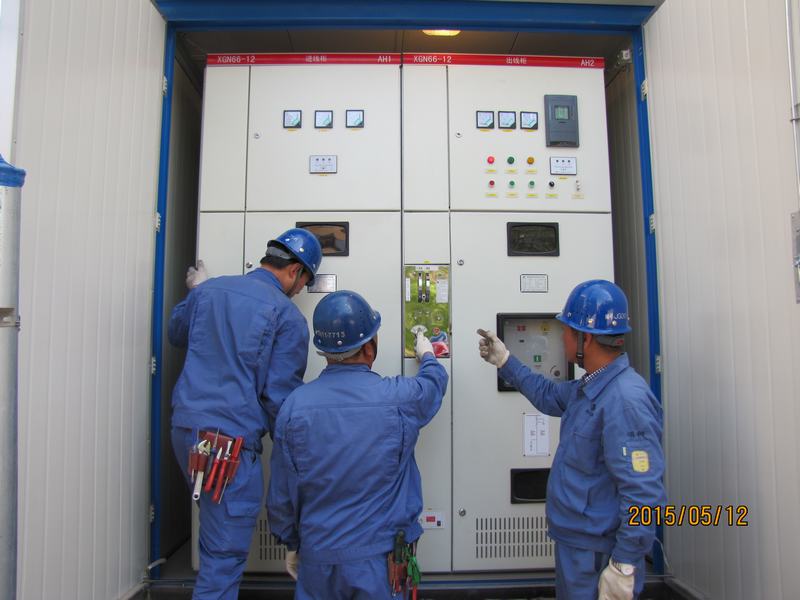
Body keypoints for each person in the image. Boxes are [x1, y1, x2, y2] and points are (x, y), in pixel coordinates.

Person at [477, 280, 665, 600]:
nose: (561, 338)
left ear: (584, 338)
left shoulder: (624, 400)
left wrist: (624, 565)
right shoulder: (590, 388)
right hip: (579, 546)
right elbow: (547, 394)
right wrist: (504, 360)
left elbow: (643, 493)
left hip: (598, 554)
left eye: (565, 331)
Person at [168, 228, 322, 600]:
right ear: (295, 271)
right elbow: (278, 399)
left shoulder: (210, 290)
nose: (300, 291)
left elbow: (176, 332)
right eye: (305, 283)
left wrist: (198, 293)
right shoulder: (287, 317)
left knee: (214, 532)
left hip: (185, 431)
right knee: (223, 557)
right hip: (227, 448)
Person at [267, 290, 448, 599]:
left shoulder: (294, 407)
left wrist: (292, 542)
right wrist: (427, 355)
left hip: (318, 556)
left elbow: (282, 492)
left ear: (323, 350)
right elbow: (433, 384)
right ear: (369, 347)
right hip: (381, 562)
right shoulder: (399, 397)